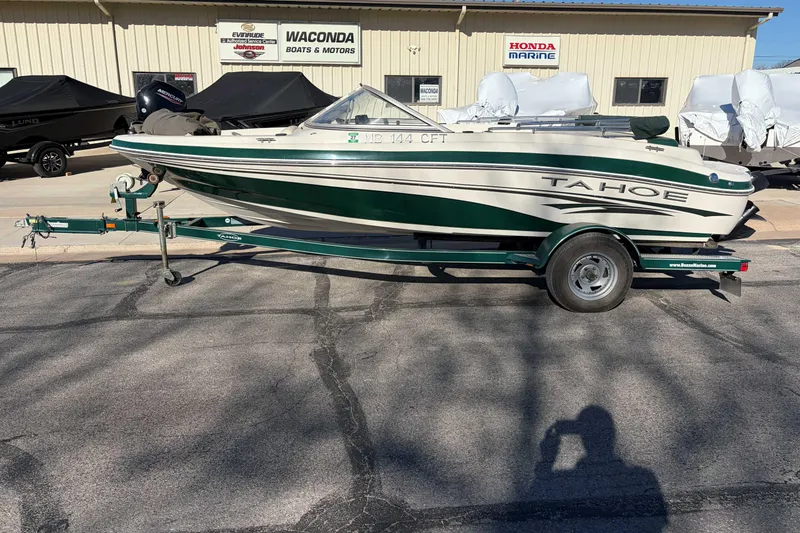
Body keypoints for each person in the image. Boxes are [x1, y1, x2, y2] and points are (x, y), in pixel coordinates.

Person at [528, 405, 668, 532]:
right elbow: (656, 523)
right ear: (612, 434)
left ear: (582, 437)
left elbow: (532, 516)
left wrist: (547, 462)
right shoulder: (640, 479)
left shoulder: (565, 483)